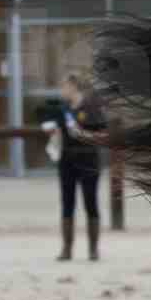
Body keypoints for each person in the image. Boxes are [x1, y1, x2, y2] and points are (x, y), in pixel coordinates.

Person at [44, 73, 105, 261]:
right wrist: (53, 132)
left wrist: (83, 134)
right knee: (67, 203)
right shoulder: (62, 109)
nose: (61, 91)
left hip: (88, 161)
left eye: (63, 87)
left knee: (90, 203)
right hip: (67, 161)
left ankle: (93, 250)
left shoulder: (92, 108)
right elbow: (57, 131)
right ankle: (66, 249)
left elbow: (102, 134)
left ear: (73, 86)